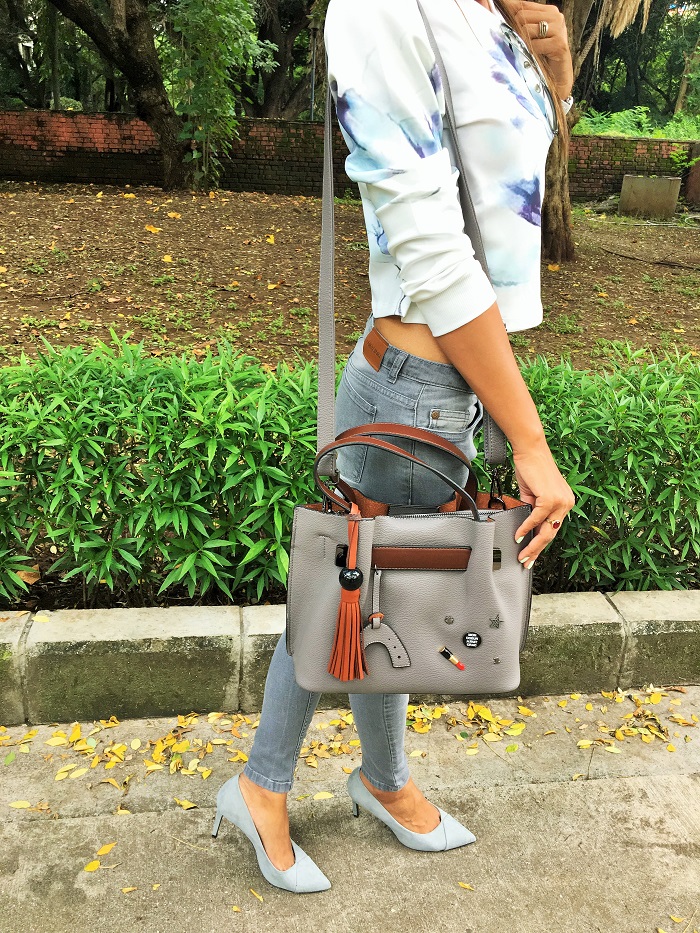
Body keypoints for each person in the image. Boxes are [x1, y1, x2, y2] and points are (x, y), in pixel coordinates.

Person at [211, 0, 576, 893]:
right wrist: (529, 441)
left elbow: (509, 178)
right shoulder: (381, 8)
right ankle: (269, 785)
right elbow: (432, 248)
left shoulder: (486, 12)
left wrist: (556, 73)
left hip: (455, 382)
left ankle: (376, 779)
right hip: (415, 386)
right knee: (351, 588)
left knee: (381, 592)